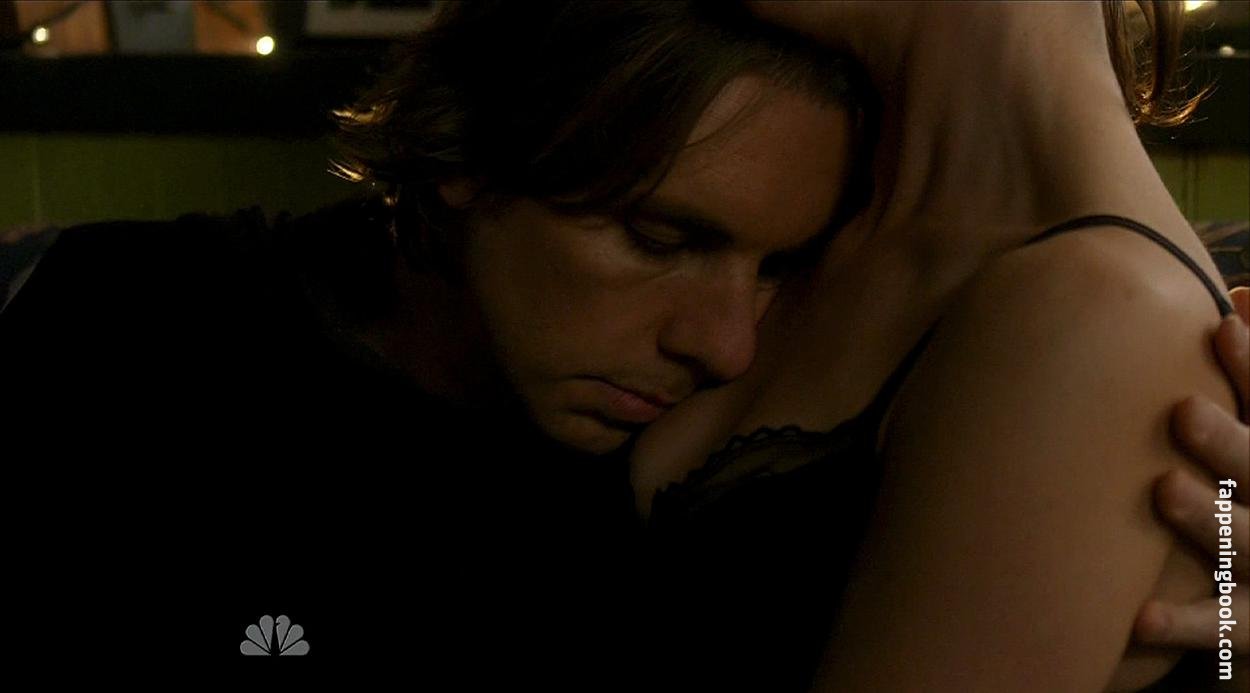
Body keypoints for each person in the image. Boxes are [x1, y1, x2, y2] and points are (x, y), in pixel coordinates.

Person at [0, 0, 1244, 689]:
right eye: (663, 238)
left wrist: (1226, 610)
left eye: (768, 267)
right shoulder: (129, 322)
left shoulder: (1087, 308)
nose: (724, 341)